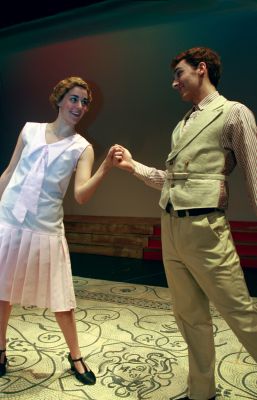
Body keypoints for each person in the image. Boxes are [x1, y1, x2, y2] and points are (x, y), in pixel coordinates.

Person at [113, 47, 257, 400]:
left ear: (201, 69)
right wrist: (135, 168)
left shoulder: (234, 113)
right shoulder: (183, 124)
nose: (174, 82)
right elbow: (172, 179)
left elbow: (255, 176)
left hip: (206, 229)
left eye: (179, 73)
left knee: (240, 312)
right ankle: (201, 392)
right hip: (172, 227)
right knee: (189, 316)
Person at [0, 76, 118, 385]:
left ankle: (75, 355)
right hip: (9, 219)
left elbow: (80, 194)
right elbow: (10, 172)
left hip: (45, 227)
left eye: (84, 102)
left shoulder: (83, 148)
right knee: (2, 293)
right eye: (74, 99)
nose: (79, 106)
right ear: (59, 99)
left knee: (61, 300)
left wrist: (104, 168)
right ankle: (0, 350)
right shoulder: (30, 130)